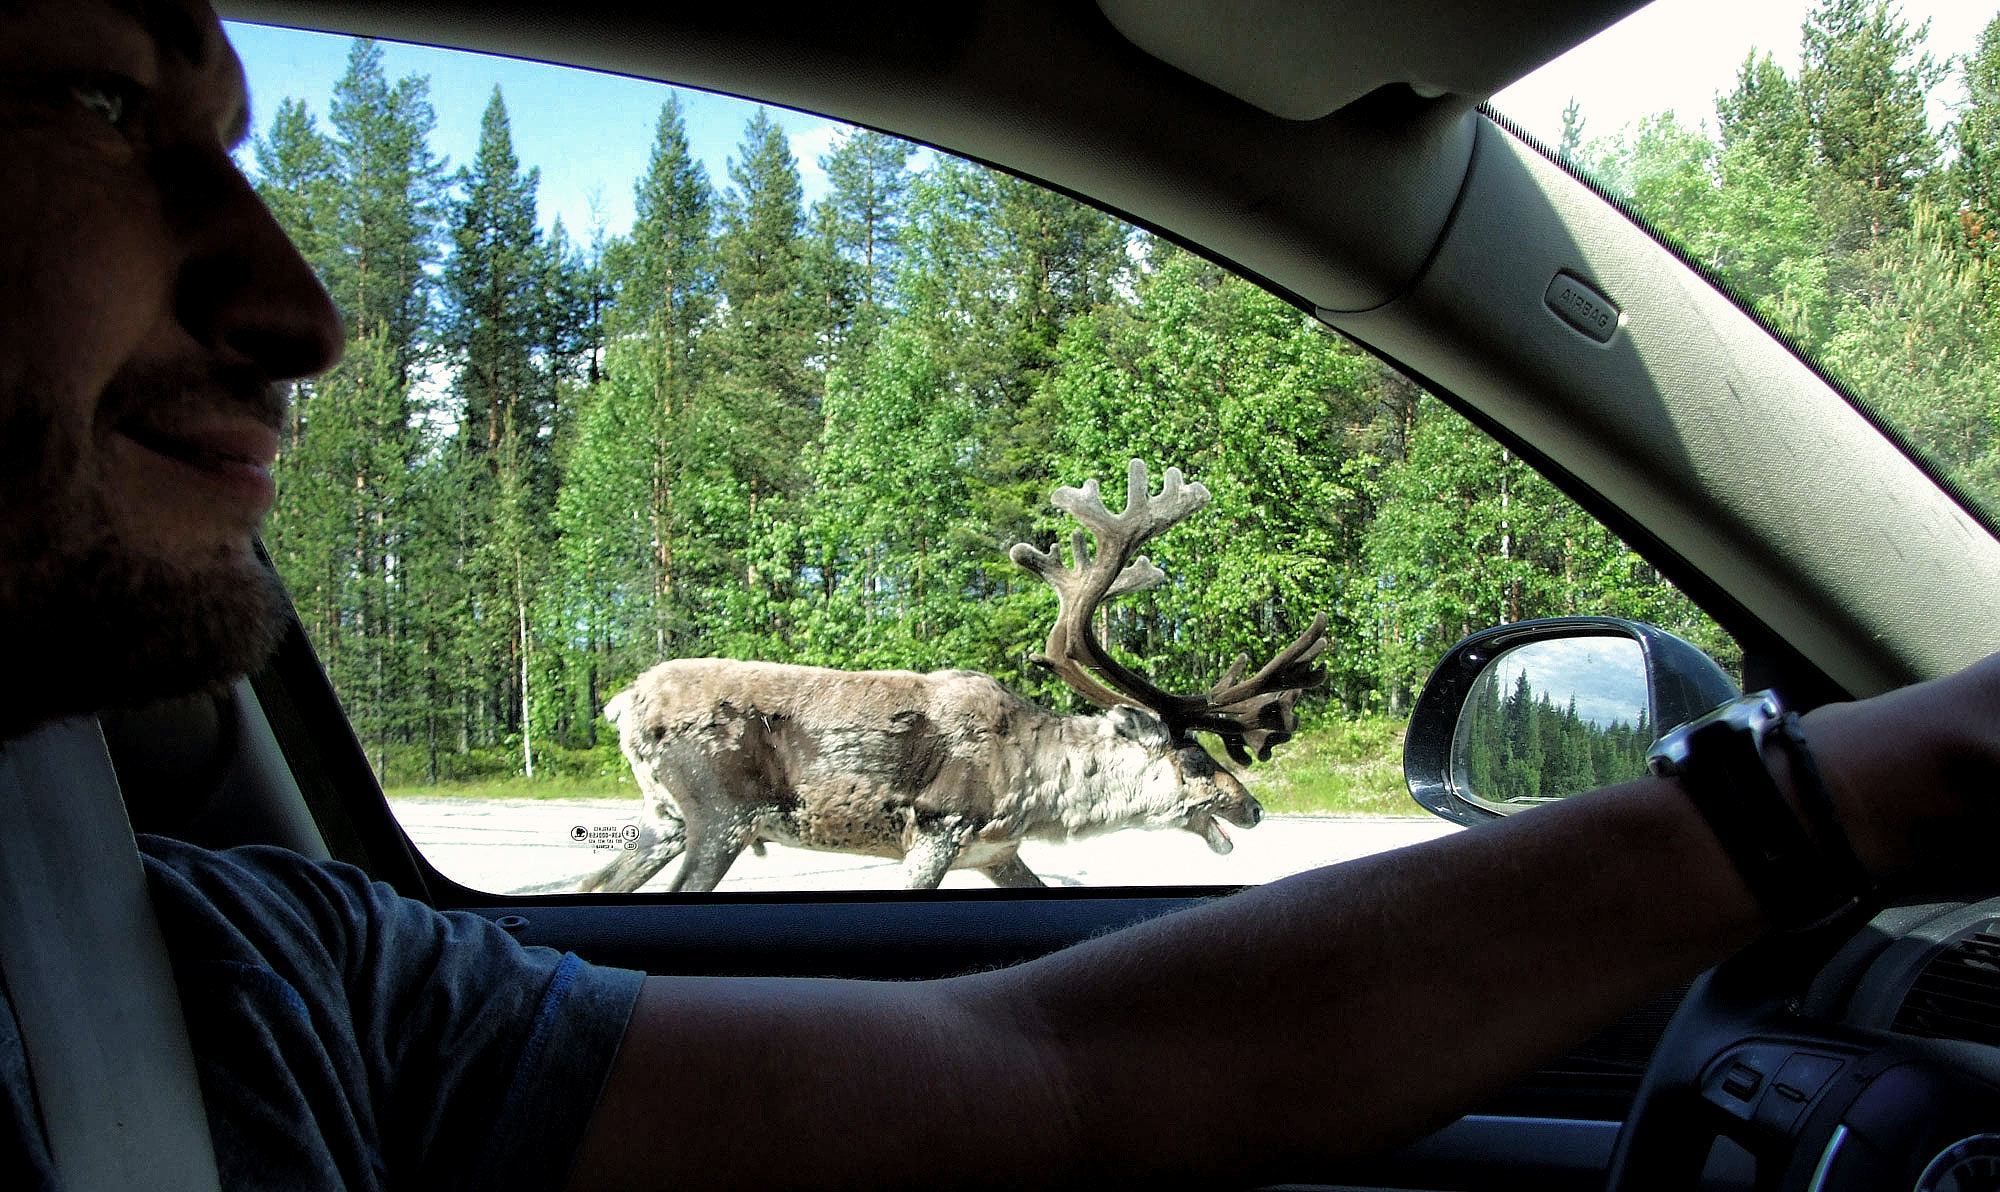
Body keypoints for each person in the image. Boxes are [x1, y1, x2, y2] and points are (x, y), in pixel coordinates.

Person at [4, 2, 1999, 1189]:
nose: (304, 314)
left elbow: (1047, 1072)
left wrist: (1827, 793)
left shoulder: (236, 984)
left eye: (243, 147)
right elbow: (1013, 994)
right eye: (94, 96)